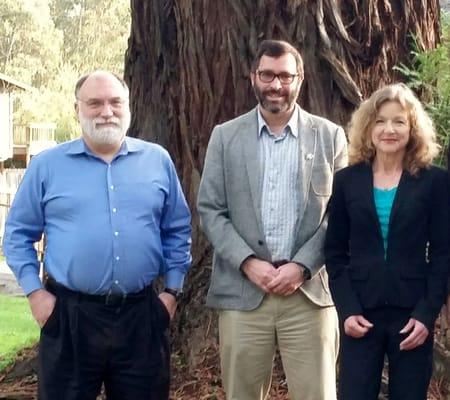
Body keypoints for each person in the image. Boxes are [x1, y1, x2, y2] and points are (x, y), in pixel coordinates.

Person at [3, 70, 192, 400]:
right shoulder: (47, 166)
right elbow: (17, 235)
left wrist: (172, 292)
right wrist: (35, 294)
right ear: (77, 109)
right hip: (70, 317)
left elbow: (177, 230)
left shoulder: (157, 161)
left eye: (115, 102)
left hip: (141, 318)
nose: (107, 111)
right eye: (94, 103)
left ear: (128, 106)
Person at [197, 39, 347, 400]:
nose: (275, 85)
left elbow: (341, 215)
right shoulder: (225, 137)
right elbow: (210, 209)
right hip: (243, 292)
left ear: (300, 78)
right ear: (253, 77)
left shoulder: (330, 137)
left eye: (284, 76)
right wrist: (249, 264)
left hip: (309, 295)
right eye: (267, 74)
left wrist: (302, 266)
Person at [325, 83, 449, 400]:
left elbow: (443, 254)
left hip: (412, 317)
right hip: (360, 316)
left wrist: (426, 314)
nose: (389, 129)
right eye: (380, 121)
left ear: (413, 128)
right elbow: (335, 253)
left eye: (399, 121)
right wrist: (347, 310)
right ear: (369, 127)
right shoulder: (346, 181)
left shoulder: (434, 181)